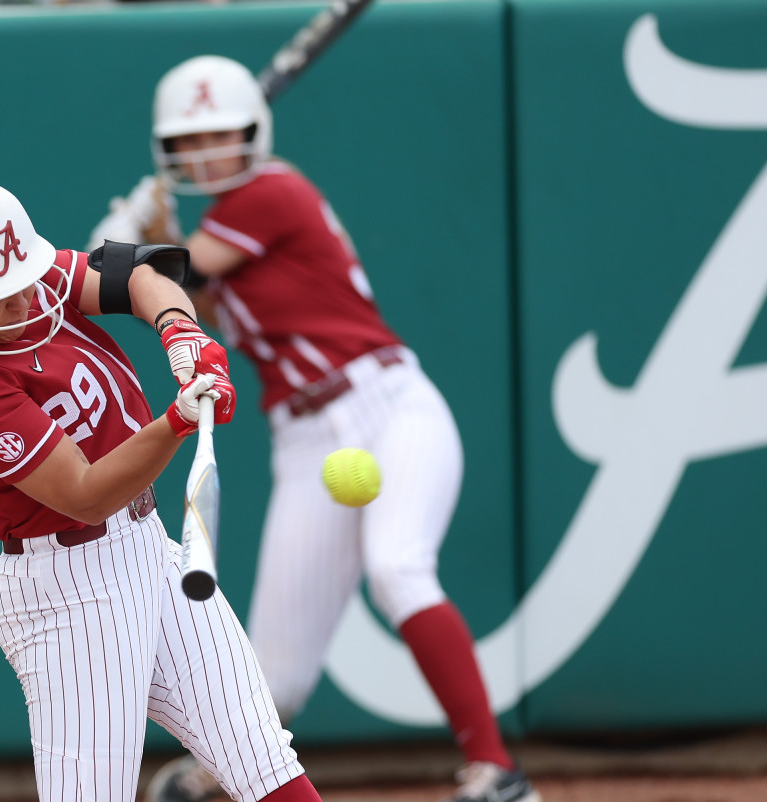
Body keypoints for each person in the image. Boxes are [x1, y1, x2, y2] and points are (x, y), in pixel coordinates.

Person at [87, 55, 542, 802]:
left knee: (399, 568)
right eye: (190, 141)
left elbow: (176, 274)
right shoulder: (222, 226)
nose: (207, 154)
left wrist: (121, 242)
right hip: (305, 439)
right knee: (276, 673)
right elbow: (187, 295)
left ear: (253, 134)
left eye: (222, 136)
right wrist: (154, 232)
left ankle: (497, 771)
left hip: (387, 404)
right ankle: (219, 771)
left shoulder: (271, 190)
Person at [0, 175, 329, 802]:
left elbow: (139, 275)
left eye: (23, 280)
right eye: (0, 294)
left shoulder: (23, 280)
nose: (24, 299)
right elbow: (86, 492)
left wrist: (182, 332)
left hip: (149, 550)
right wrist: (178, 419)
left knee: (263, 760)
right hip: (68, 592)